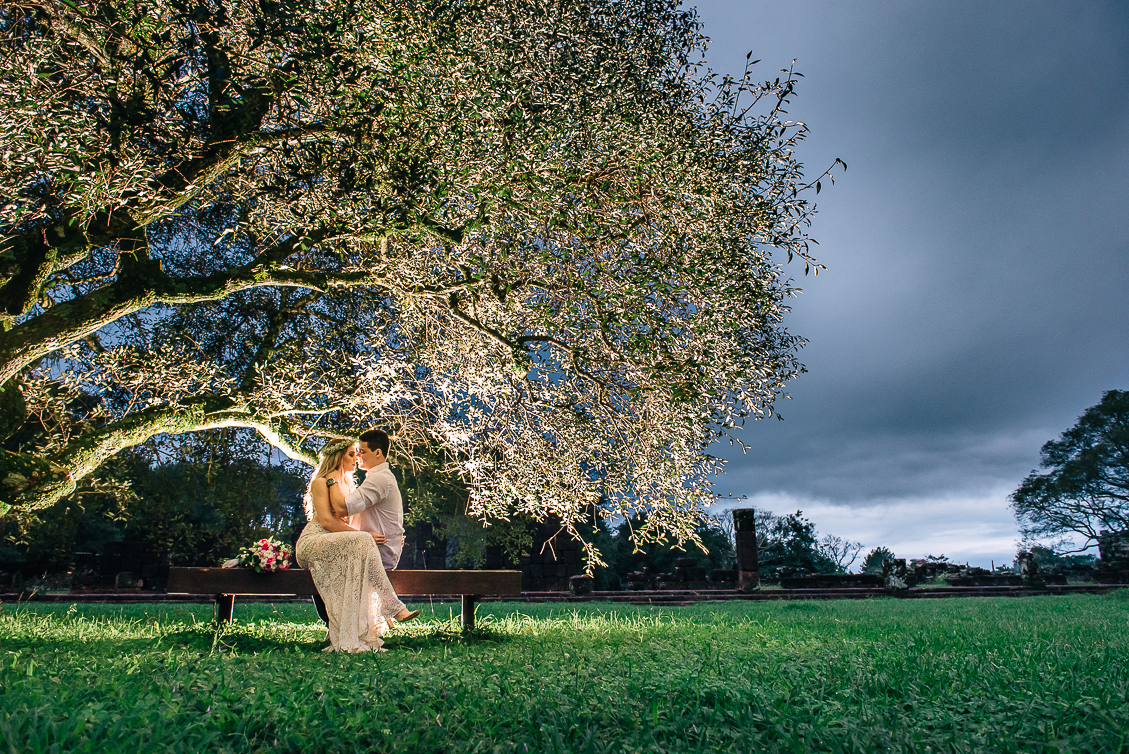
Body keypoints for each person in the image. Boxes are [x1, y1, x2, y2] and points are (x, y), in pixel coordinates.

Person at [295, 438, 419, 652]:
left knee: (362, 547)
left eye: (358, 453)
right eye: (351, 454)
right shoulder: (321, 481)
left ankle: (355, 628)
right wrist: (364, 536)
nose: (357, 458)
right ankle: (393, 606)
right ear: (338, 457)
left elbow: (351, 518)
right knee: (364, 539)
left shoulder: (348, 484)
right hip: (314, 540)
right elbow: (327, 521)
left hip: (338, 542)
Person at [329, 429, 405, 570]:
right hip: (371, 551)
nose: (357, 456)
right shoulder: (378, 477)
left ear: (377, 453)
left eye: (362, 452)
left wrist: (331, 477)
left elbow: (341, 509)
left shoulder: (380, 478)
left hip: (377, 555)